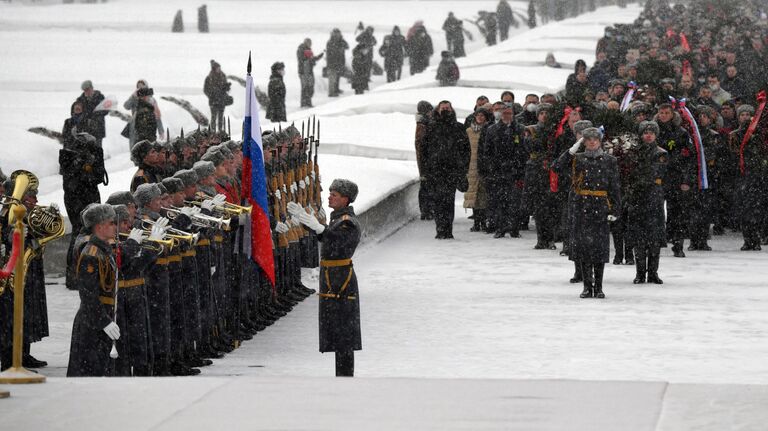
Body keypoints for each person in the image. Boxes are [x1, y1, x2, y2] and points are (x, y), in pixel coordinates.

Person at [287, 179, 362, 377]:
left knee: (344, 330)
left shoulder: (347, 221)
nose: (329, 197)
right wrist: (309, 222)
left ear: (345, 199)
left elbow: (339, 244)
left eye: (334, 194)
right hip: (333, 277)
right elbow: (329, 238)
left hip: (340, 280)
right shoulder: (338, 218)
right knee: (338, 329)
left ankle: (345, 374)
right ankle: (342, 372)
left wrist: (320, 229)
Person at [553, 128, 621, 299]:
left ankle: (598, 287)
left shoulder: (609, 160)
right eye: (588, 139)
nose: (592, 142)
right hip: (581, 205)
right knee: (583, 248)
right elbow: (557, 167)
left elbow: (614, 187)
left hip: (600, 206)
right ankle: (586, 286)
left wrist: (615, 209)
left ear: (600, 141)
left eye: (595, 139)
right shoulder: (577, 159)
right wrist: (571, 150)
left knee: (599, 248)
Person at [66, 204, 120, 377]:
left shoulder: (104, 250)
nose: (115, 226)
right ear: (99, 226)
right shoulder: (91, 254)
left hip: (104, 316)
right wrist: (104, 321)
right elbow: (88, 295)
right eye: (111, 223)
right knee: (89, 375)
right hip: (92, 322)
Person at [59, 132, 106, 290]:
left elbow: (98, 177)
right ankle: (74, 275)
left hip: (87, 196)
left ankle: (85, 273)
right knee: (79, 233)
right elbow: (72, 180)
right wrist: (81, 164)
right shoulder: (68, 156)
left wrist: (93, 162)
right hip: (76, 199)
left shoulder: (93, 154)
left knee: (88, 233)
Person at [624, 121, 667, 285]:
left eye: (651, 132)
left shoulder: (661, 153)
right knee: (639, 237)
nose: (648, 135)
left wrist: (641, 180)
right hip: (637, 196)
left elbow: (657, 172)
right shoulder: (633, 152)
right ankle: (640, 272)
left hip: (653, 195)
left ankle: (653, 272)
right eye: (645, 132)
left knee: (654, 237)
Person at [478, 102, 528, 238]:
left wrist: (520, 167)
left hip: (515, 171)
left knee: (515, 201)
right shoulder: (492, 130)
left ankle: (514, 228)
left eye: (509, 113)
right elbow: (487, 152)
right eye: (505, 113)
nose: (507, 116)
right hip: (498, 171)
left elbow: (524, 151)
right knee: (500, 201)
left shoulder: (519, 129)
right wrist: (491, 167)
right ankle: (500, 227)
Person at [422, 101, 470, 239]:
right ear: (437, 110)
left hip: (452, 170)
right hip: (436, 171)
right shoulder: (431, 128)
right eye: (442, 108)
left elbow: (466, 150)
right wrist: (426, 169)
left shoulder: (459, 128)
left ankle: (447, 229)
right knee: (437, 201)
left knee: (449, 201)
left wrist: (463, 167)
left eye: (447, 108)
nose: (445, 110)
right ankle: (440, 229)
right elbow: (424, 150)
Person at [464, 108, 491, 232]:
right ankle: (476, 222)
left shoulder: (489, 130)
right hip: (471, 166)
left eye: (482, 115)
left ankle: (484, 221)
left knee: (484, 195)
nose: (480, 117)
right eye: (478, 115)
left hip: (484, 165)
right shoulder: (468, 131)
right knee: (473, 194)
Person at [123, 79, 165, 150]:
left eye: (142, 86)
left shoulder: (152, 100)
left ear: (146, 87)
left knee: (149, 148)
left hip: (148, 127)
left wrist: (161, 131)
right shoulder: (134, 99)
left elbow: (157, 116)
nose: (140, 88)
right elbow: (126, 106)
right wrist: (133, 96)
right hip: (135, 127)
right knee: (135, 148)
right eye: (138, 86)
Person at [73, 80, 108, 147]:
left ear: (92, 88)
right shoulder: (80, 100)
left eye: (88, 89)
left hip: (98, 128)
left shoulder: (100, 97)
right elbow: (75, 112)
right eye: (85, 90)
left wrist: (95, 114)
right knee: (86, 149)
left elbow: (106, 110)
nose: (86, 92)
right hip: (85, 129)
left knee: (98, 149)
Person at [415, 101, 434, 220]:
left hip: (425, 159)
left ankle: (426, 210)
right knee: (426, 185)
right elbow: (421, 144)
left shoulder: (423, 123)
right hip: (426, 160)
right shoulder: (423, 124)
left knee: (426, 185)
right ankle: (426, 210)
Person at [203, 60, 231, 132]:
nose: (219, 69)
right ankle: (213, 133)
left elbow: (225, 88)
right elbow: (205, 90)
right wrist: (211, 95)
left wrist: (227, 87)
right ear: (214, 68)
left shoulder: (223, 76)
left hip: (222, 100)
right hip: (213, 101)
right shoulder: (209, 78)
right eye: (218, 68)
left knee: (221, 118)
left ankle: (220, 132)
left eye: (219, 67)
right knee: (213, 118)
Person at [297, 38, 324, 107]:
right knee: (305, 88)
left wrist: (320, 56)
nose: (310, 44)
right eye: (309, 43)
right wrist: (309, 58)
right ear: (305, 43)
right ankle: (305, 103)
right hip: (303, 72)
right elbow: (303, 59)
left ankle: (307, 102)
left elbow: (311, 59)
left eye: (310, 43)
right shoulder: (301, 49)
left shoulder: (308, 50)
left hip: (309, 71)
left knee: (309, 87)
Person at [325, 29, 349, 97]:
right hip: (332, 62)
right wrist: (340, 47)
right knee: (332, 78)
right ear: (333, 34)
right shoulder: (330, 42)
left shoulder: (340, 41)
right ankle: (331, 92)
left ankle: (336, 89)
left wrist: (342, 39)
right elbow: (334, 51)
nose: (337, 35)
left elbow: (347, 46)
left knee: (337, 77)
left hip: (339, 62)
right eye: (336, 34)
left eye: (338, 34)